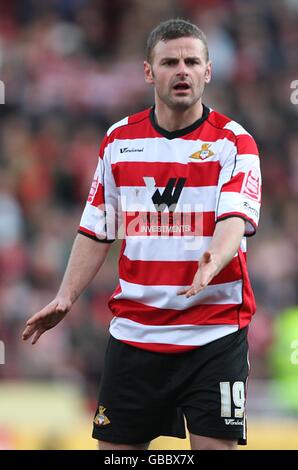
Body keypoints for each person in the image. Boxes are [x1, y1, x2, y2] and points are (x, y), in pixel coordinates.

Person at [22, 18, 262, 450]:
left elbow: (233, 220)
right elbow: (98, 230)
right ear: (149, 72)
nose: (182, 70)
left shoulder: (234, 142)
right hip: (136, 333)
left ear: (208, 70)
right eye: (170, 62)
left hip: (213, 334)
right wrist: (66, 296)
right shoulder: (119, 141)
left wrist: (214, 259)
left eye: (192, 61)